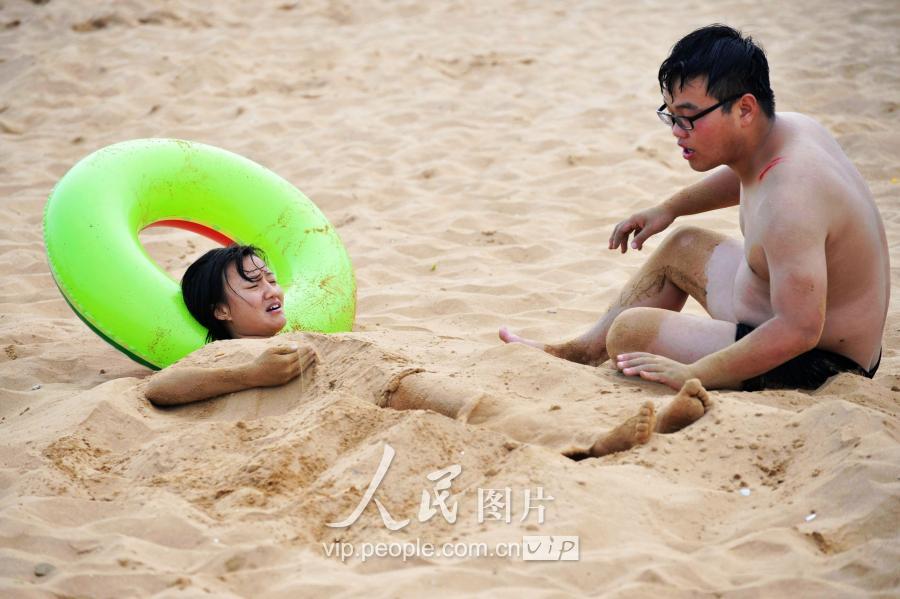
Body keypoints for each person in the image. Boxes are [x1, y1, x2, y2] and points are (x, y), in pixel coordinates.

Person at [500, 24, 889, 392]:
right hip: (777, 311)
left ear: (745, 109)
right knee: (683, 243)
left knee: (631, 332)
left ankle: (608, 349)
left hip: (821, 361)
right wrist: (669, 208)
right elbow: (744, 176)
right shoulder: (788, 132)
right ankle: (579, 353)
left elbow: (800, 329)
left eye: (688, 118)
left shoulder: (792, 197)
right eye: (670, 115)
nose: (676, 132)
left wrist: (695, 372)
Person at [145, 245, 713, 458]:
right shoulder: (220, 354)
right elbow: (159, 388)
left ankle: (620, 426)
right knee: (480, 410)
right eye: (252, 284)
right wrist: (249, 373)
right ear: (220, 312)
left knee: (491, 398)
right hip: (377, 398)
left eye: (271, 278)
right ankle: (592, 442)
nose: (271, 289)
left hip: (391, 376)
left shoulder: (300, 332)